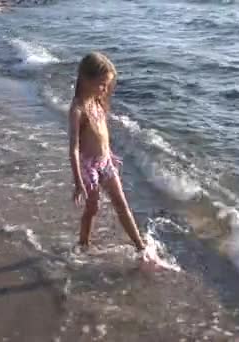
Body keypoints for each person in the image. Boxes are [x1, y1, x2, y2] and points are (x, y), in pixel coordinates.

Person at [68, 52, 161, 266]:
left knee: (122, 204)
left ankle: (140, 247)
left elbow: (102, 134)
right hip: (88, 166)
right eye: (101, 84)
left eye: (107, 85)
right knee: (92, 208)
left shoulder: (97, 102)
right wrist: (77, 181)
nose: (105, 89)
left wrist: (108, 155)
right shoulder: (77, 109)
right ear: (85, 79)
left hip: (105, 161)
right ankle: (83, 244)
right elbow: (73, 148)